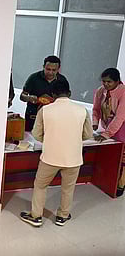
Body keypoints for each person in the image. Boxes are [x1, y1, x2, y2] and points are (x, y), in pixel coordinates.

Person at [20, 80, 93, 227]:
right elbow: (87, 135)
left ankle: (36, 216)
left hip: (50, 158)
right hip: (73, 159)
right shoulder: (82, 110)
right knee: (68, 188)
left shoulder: (45, 110)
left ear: (52, 94)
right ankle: (62, 216)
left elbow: (36, 134)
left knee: (40, 186)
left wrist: (49, 140)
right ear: (70, 93)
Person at [92, 68, 125, 197]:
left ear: (117, 81)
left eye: (109, 82)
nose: (106, 84)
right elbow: (96, 109)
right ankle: (109, 181)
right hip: (108, 126)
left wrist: (106, 134)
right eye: (104, 81)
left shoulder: (123, 92)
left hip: (122, 126)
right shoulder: (100, 91)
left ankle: (121, 184)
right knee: (111, 156)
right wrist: (95, 122)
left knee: (122, 157)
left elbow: (120, 117)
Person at [20, 55, 69, 131]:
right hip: (33, 115)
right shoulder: (34, 78)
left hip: (53, 116)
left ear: (58, 69)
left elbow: (67, 97)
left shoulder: (62, 80)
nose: (50, 72)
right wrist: (29, 98)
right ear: (43, 67)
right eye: (48, 69)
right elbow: (22, 96)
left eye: (54, 70)